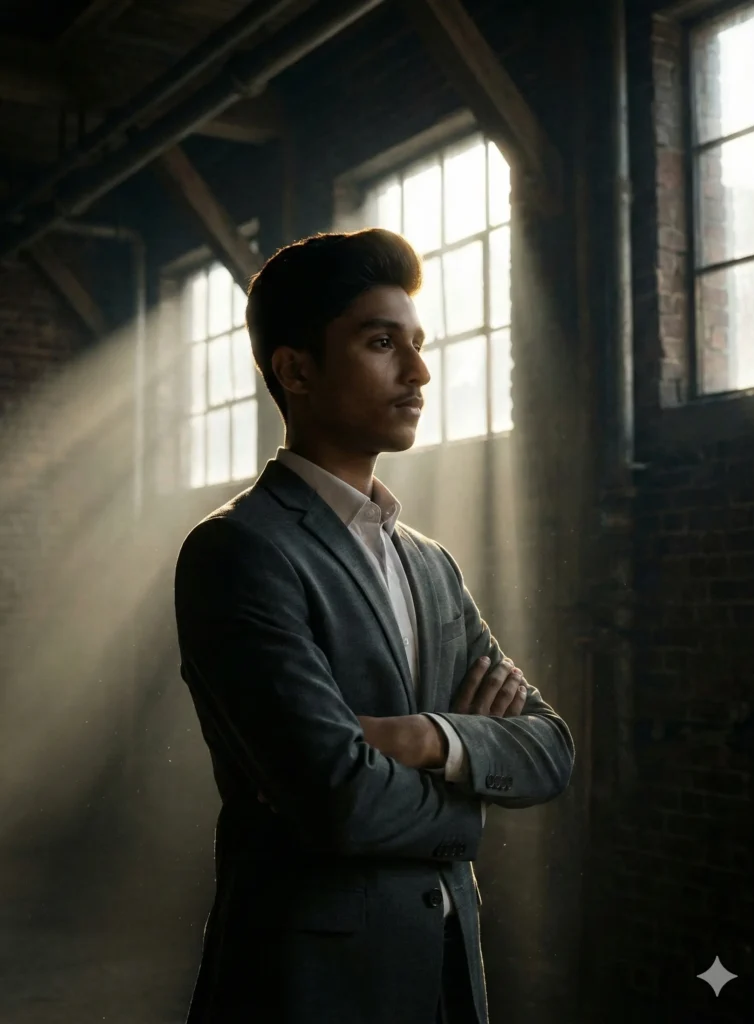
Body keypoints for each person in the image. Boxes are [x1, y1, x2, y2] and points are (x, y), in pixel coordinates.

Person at [174, 228, 575, 1024]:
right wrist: (470, 790)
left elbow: (550, 749)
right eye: (381, 343)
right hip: (311, 985)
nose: (418, 371)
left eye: (417, 344)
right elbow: (339, 800)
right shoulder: (240, 549)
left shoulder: (430, 562)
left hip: (446, 972)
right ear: (296, 370)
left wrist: (428, 738)